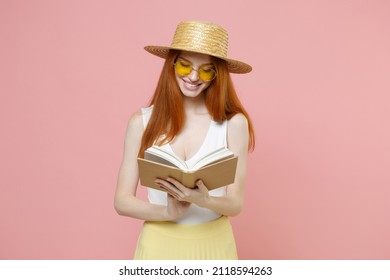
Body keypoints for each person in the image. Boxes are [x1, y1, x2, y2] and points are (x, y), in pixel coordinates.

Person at [114, 20, 255, 259]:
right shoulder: (141, 122)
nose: (193, 76)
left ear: (216, 75)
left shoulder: (233, 124)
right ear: (172, 66)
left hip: (214, 245)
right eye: (184, 66)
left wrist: (204, 199)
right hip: (158, 244)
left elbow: (235, 204)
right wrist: (168, 212)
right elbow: (122, 201)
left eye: (206, 70)